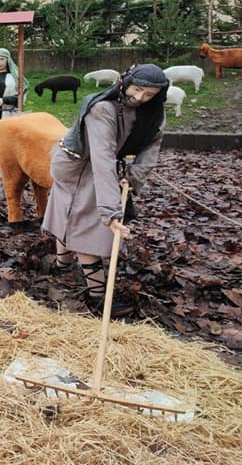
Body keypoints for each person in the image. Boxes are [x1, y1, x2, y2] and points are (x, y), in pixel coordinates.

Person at [42, 64, 170, 318]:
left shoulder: (155, 114)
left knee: (71, 219)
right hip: (77, 165)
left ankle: (60, 266)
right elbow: (102, 158)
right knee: (85, 225)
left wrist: (132, 179)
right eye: (137, 90)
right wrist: (111, 212)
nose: (140, 98)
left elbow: (150, 153)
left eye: (150, 94)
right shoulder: (102, 109)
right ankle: (97, 298)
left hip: (106, 166)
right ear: (125, 82)